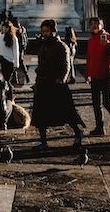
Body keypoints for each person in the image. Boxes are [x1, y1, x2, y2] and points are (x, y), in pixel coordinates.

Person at [30, 19, 84, 150]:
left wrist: (61, 79)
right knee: (40, 114)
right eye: (43, 31)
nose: (44, 34)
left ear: (53, 31)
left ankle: (77, 132)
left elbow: (66, 65)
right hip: (42, 83)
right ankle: (43, 141)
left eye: (47, 31)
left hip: (56, 84)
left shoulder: (61, 46)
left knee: (66, 112)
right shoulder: (43, 45)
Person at [84, 17, 110, 136]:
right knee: (96, 103)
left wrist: (108, 44)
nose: (94, 26)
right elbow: (89, 58)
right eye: (92, 24)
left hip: (107, 74)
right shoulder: (90, 40)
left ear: (102, 25)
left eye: (97, 24)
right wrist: (87, 74)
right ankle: (99, 128)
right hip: (95, 75)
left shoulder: (109, 37)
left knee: (107, 101)